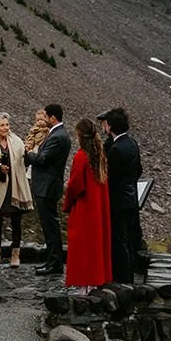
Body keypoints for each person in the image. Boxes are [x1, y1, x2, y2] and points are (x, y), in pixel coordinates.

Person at [0, 111, 35, 268]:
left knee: (16, 220)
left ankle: (15, 255)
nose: (5, 128)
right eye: (2, 125)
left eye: (7, 124)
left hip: (14, 185)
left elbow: (23, 161)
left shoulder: (17, 141)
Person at [63, 118, 111, 290]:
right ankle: (95, 281)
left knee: (81, 246)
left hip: (84, 207)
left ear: (79, 135)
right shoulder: (99, 155)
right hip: (98, 207)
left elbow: (76, 185)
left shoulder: (81, 157)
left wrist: (67, 202)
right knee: (95, 244)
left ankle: (83, 284)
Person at [25, 103, 70, 275]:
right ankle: (52, 261)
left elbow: (43, 160)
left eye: (46, 117)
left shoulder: (57, 136)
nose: (44, 120)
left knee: (50, 226)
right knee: (49, 225)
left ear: (53, 118)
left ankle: (55, 263)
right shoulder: (57, 134)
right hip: (47, 186)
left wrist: (28, 154)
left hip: (47, 186)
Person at [100, 107, 143, 284]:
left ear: (110, 126)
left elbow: (107, 175)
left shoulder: (116, 149)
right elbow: (139, 170)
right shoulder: (131, 143)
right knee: (129, 240)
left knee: (119, 240)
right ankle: (129, 275)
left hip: (117, 200)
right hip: (130, 198)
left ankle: (122, 278)